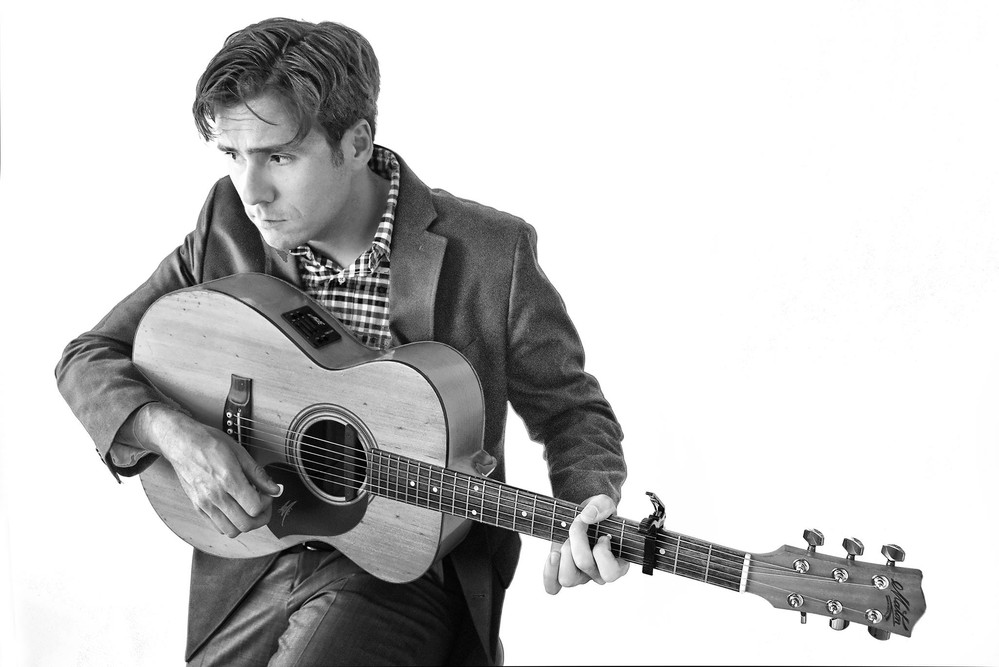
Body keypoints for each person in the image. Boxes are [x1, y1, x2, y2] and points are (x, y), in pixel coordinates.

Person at [55, 17, 628, 666]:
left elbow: (570, 410)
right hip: (255, 559)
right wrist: (176, 436)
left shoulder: (491, 252)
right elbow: (88, 358)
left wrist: (585, 501)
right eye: (232, 155)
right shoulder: (227, 225)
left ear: (356, 142)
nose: (252, 191)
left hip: (409, 564)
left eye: (279, 156)